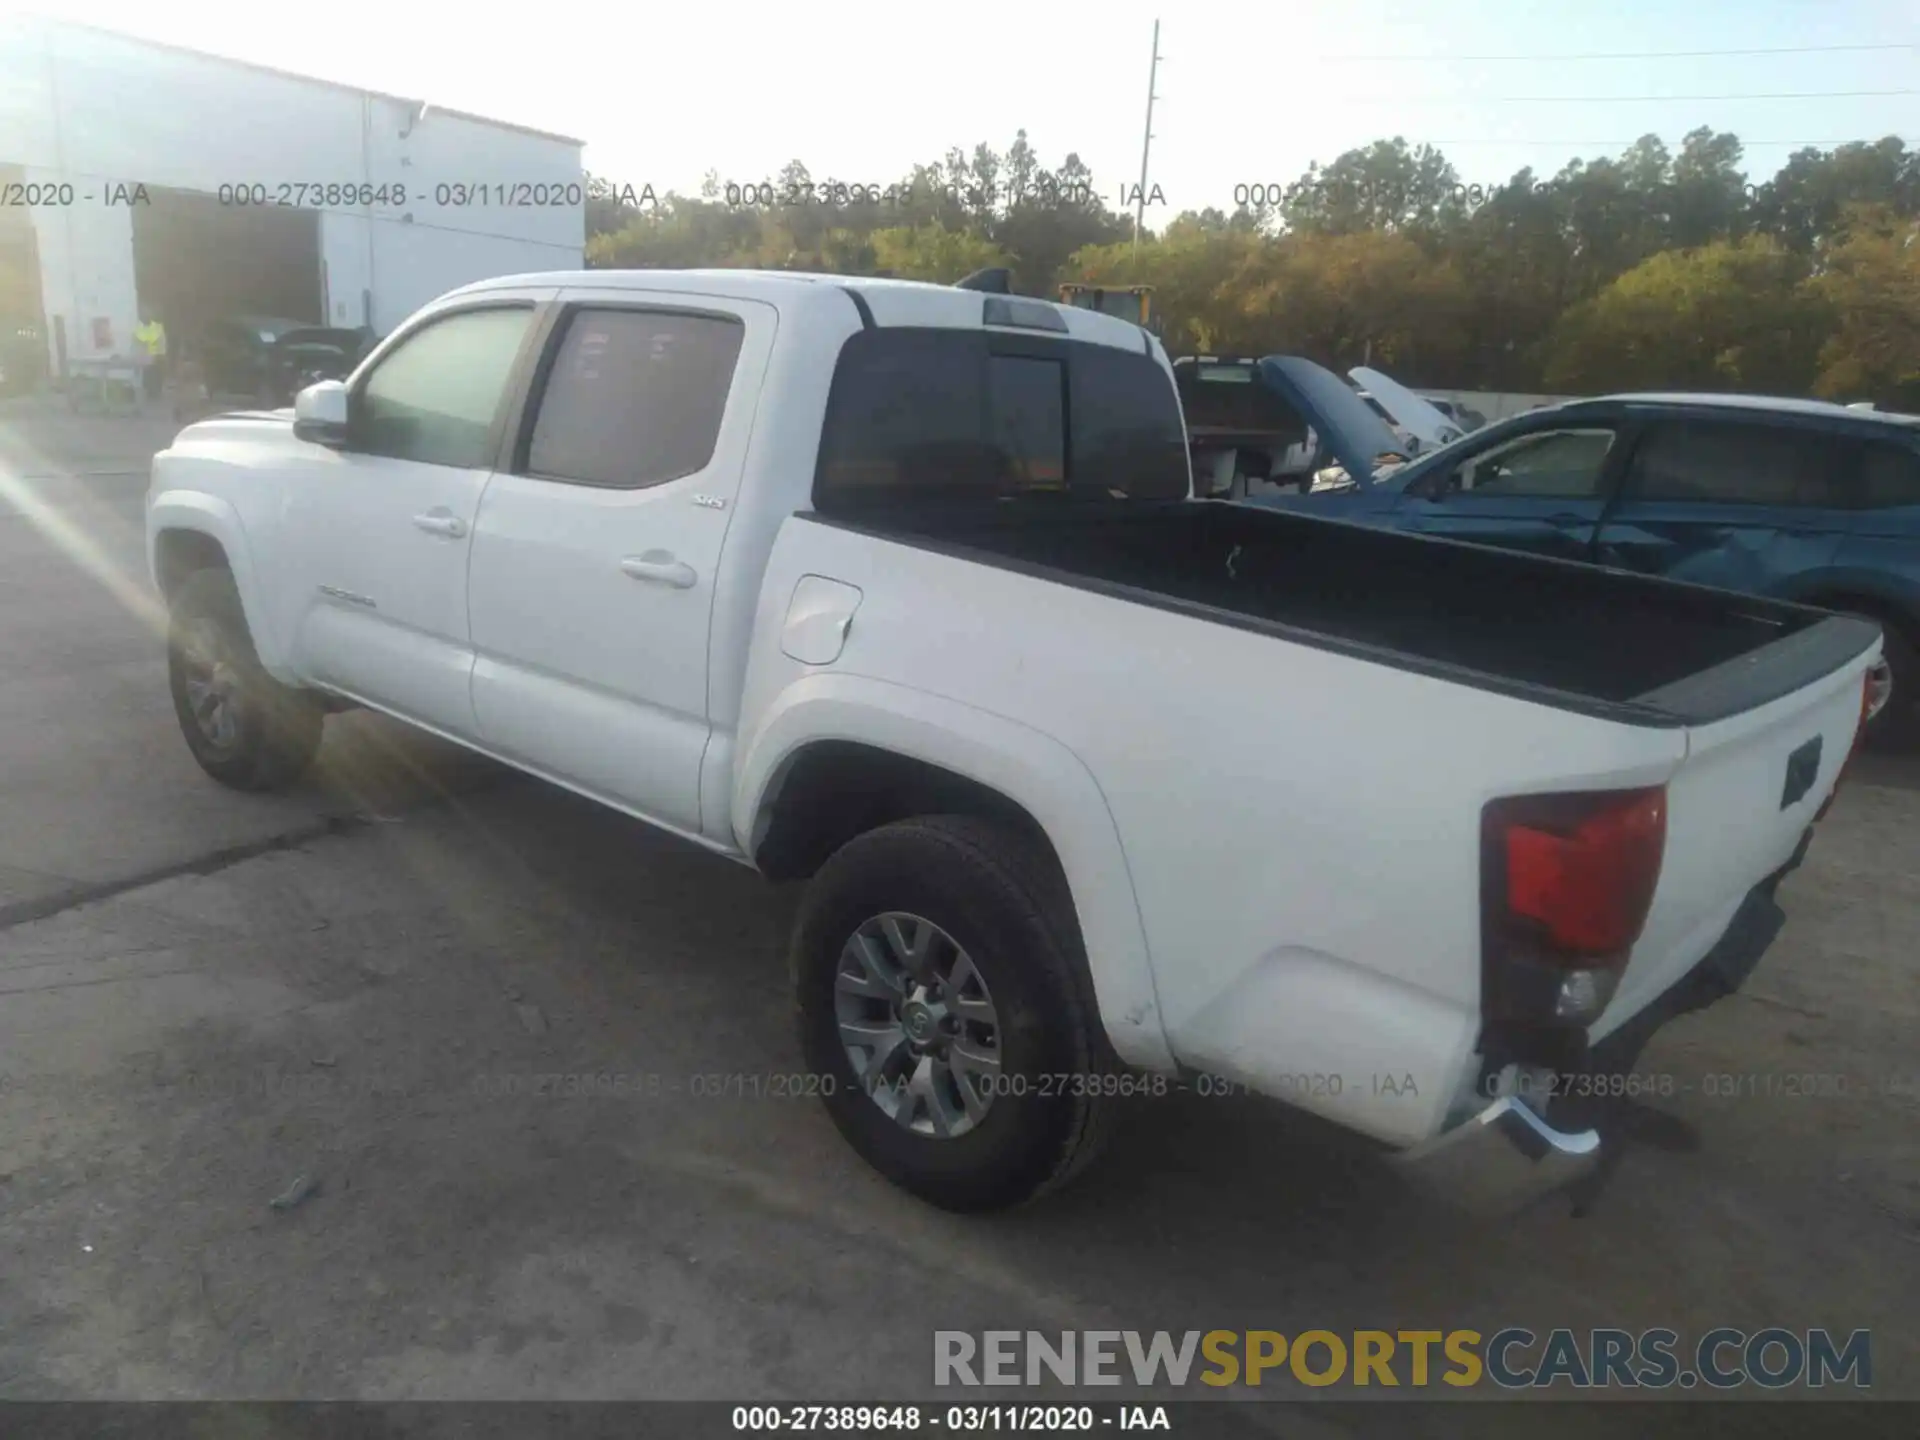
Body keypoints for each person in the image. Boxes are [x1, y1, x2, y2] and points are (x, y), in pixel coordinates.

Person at [134, 308, 168, 402]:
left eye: (148, 314)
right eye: (144, 314)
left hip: (156, 357)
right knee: (147, 377)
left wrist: (162, 354)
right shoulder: (138, 328)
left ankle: (156, 393)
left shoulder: (157, 327)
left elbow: (162, 341)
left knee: (156, 376)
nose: (146, 316)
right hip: (145, 359)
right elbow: (137, 343)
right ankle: (150, 392)